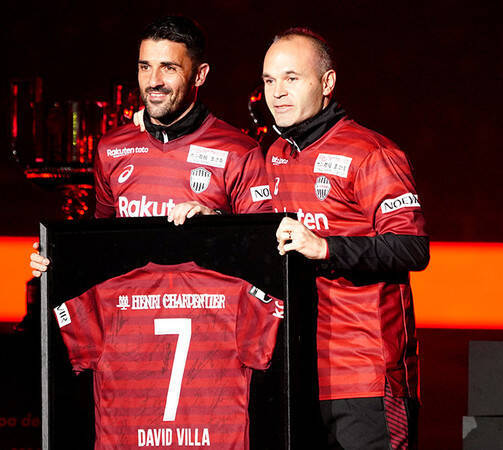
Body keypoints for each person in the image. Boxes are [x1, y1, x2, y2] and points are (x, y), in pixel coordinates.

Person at [262, 29, 429, 449]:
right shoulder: (276, 154)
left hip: (367, 376)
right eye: (269, 80)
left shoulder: (371, 152)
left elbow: (412, 247)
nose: (277, 93)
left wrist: (326, 247)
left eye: (292, 78)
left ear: (327, 83)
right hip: (299, 373)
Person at [30, 16, 272, 276]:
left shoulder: (239, 150)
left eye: (168, 68)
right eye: (145, 67)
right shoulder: (111, 148)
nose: (153, 81)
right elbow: (102, 247)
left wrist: (215, 225)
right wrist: (59, 256)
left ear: (199, 75)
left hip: (210, 302)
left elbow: (264, 252)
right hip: (130, 301)